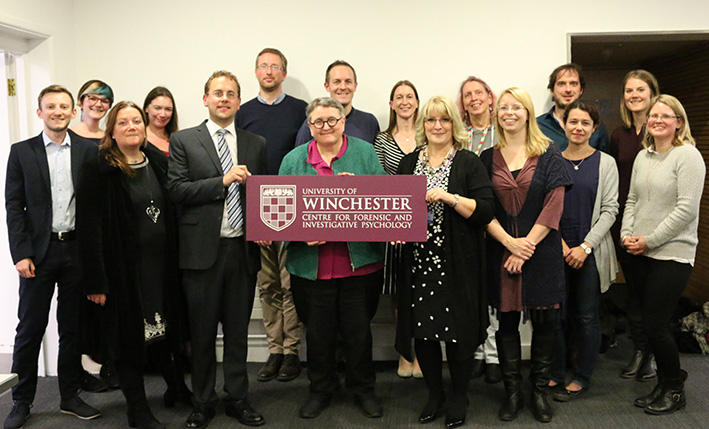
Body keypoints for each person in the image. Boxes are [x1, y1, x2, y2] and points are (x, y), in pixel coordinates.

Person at [76, 101, 190, 429]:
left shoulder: (158, 161)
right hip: (123, 272)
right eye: (123, 122)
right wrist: (96, 282)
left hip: (161, 267)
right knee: (128, 341)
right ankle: (137, 411)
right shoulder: (99, 169)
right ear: (111, 130)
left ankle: (177, 389)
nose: (131, 127)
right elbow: (89, 229)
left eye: (136, 121)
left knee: (165, 330)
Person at [167, 71, 267, 429]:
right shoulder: (184, 140)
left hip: (241, 251)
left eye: (231, 94)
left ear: (239, 101)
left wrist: (266, 229)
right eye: (217, 93)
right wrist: (221, 182)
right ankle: (203, 400)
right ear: (205, 99)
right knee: (203, 332)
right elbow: (176, 190)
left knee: (238, 331)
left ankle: (238, 397)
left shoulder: (255, 143)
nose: (224, 99)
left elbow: (262, 198)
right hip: (200, 254)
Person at [279, 97, 386, 420]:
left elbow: (387, 200)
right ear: (309, 126)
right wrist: (299, 232)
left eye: (332, 120)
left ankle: (363, 389)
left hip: (360, 263)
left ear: (343, 121)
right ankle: (320, 389)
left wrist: (362, 191)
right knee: (318, 334)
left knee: (358, 333)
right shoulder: (293, 160)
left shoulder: (365, 153)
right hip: (310, 267)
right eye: (318, 122)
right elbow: (277, 212)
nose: (325, 127)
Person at [4, 85, 100, 429]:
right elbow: (13, 206)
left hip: (76, 250)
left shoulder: (90, 151)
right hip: (38, 255)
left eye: (64, 106)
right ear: (39, 112)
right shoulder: (21, 152)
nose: (58, 111)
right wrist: (21, 253)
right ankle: (21, 400)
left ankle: (70, 396)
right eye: (50, 106)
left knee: (72, 328)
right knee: (30, 328)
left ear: (74, 111)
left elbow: (96, 207)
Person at [395, 96, 494, 428]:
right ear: (423, 125)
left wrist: (450, 197)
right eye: (431, 120)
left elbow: (485, 210)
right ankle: (434, 394)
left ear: (455, 125)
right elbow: (396, 209)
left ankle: (458, 396)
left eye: (444, 120)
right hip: (418, 263)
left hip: (457, 263)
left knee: (458, 334)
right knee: (423, 334)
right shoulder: (409, 162)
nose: (437, 126)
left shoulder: (468, 162)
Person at [480, 87, 572, 423]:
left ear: (528, 112)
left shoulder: (549, 152)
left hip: (541, 252)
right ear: (496, 114)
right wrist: (510, 244)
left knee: (545, 324)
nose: (508, 113)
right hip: (501, 252)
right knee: (505, 324)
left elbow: (554, 205)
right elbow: (482, 208)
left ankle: (539, 393)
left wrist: (525, 247)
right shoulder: (486, 158)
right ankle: (513, 393)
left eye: (515, 107)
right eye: (503, 107)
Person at [621, 94, 705, 415]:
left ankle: (674, 389)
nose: (657, 120)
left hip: (671, 254)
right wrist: (627, 235)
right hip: (639, 251)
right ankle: (664, 383)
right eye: (654, 115)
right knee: (646, 322)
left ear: (678, 123)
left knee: (656, 324)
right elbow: (632, 201)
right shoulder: (644, 156)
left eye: (666, 116)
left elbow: (686, 209)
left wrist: (650, 240)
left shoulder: (688, 156)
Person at [235, 48, 307, 383]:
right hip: (258, 207)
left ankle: (291, 351)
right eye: (263, 65)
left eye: (275, 66)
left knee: (289, 283)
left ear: (283, 72)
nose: (269, 71)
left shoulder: (299, 111)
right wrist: (254, 216)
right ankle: (274, 350)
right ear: (256, 72)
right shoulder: (242, 112)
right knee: (267, 285)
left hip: (293, 205)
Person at [550, 101, 619, 402]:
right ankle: (555, 371)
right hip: (556, 249)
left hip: (591, 250)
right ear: (564, 125)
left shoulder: (606, 163)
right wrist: (564, 246)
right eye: (573, 122)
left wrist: (585, 246)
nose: (578, 128)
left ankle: (582, 376)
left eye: (585, 123)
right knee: (556, 316)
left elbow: (610, 209)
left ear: (594, 127)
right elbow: (545, 206)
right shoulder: (551, 160)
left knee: (587, 317)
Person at [608, 70, 660, 382]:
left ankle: (655, 353)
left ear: (653, 93)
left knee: (655, 293)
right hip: (625, 223)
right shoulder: (620, 135)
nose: (634, 95)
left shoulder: (664, 129)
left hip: (657, 223)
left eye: (641, 89)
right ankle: (640, 350)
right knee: (635, 292)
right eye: (629, 90)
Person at [373, 80, 422, 379]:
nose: (404, 101)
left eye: (409, 96)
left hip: (430, 223)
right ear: (392, 105)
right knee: (399, 293)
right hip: (394, 226)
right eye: (398, 97)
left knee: (424, 290)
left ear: (418, 102)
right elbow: (380, 182)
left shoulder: (432, 134)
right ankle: (406, 354)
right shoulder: (381, 139)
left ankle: (424, 354)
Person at [457, 76, 501, 384]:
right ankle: (476, 351)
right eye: (467, 95)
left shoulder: (504, 131)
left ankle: (495, 353)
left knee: (496, 291)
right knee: (471, 292)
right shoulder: (458, 135)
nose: (473, 98)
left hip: (498, 220)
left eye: (478, 92)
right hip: (465, 222)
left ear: (489, 97)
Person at [294, 60, 379, 146]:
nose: (343, 87)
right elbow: (300, 156)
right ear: (327, 86)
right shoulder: (314, 123)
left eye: (348, 82)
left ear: (355, 86)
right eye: (337, 82)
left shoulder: (369, 122)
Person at [536, 64, 608, 152]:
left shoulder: (597, 126)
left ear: (581, 90)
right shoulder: (537, 126)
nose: (568, 89)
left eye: (573, 84)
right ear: (552, 90)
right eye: (561, 84)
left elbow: (604, 161)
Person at [143, 86, 179, 156]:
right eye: (157, 108)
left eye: (168, 109)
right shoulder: (139, 140)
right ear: (146, 108)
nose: (162, 114)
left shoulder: (177, 140)